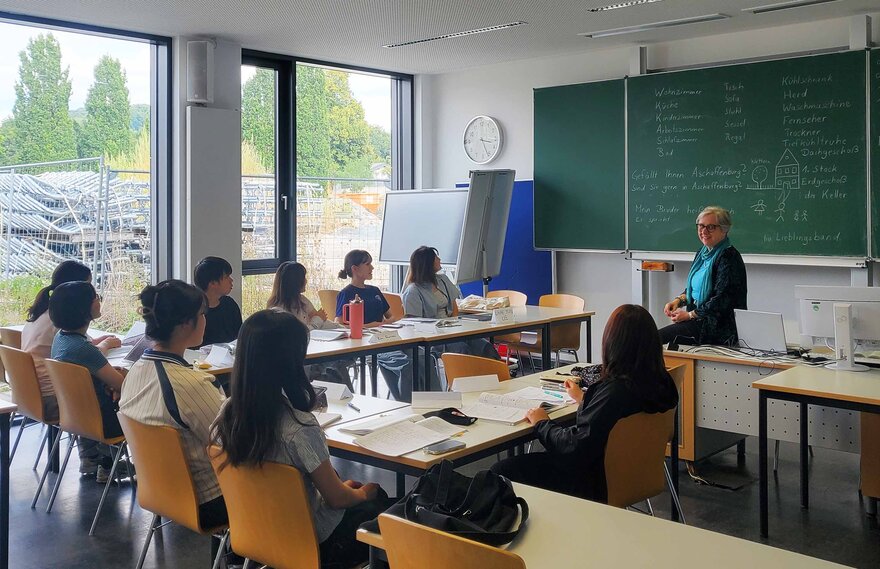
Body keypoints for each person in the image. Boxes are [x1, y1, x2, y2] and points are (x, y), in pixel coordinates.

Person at [211, 309, 393, 568]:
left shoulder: (227, 413)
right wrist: (364, 494)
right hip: (315, 543)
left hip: (254, 531)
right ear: (290, 362)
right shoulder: (299, 428)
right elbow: (337, 499)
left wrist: (340, 488)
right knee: (385, 501)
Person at [490, 304, 679, 503]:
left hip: (594, 482)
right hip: (637, 474)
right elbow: (611, 419)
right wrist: (585, 400)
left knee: (501, 472)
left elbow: (574, 448)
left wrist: (542, 422)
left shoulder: (615, 392)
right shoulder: (664, 384)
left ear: (612, 343)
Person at [117, 279, 229, 562]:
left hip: (160, 491)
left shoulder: (134, 372)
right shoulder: (191, 385)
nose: (206, 320)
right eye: (202, 315)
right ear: (185, 324)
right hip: (208, 499)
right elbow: (231, 442)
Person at [379, 246, 500, 400]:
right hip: (434, 338)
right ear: (428, 263)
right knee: (461, 349)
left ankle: (496, 386)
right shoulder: (413, 291)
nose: (440, 260)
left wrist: (455, 323)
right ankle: (468, 392)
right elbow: (413, 323)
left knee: (484, 346)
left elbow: (454, 305)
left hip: (453, 329)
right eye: (437, 258)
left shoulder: (442, 280)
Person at [21, 260, 119, 430]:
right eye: (93, 295)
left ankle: (92, 454)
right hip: (61, 401)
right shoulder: (65, 334)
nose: (98, 299)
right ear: (80, 304)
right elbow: (120, 383)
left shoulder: (60, 331)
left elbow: (83, 351)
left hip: (34, 393)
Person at [49, 281, 127, 483]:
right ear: (86, 308)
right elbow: (121, 385)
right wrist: (122, 378)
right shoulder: (84, 349)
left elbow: (91, 357)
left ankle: (99, 460)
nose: (99, 301)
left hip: (75, 417)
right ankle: (109, 464)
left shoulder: (62, 338)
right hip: (103, 421)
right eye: (96, 298)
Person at [659, 206, 747, 346]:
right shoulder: (702, 253)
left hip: (716, 328)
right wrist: (679, 301)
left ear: (724, 229)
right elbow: (695, 288)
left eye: (711, 227)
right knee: (653, 339)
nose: (704, 231)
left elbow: (721, 299)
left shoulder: (729, 258)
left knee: (655, 338)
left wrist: (688, 315)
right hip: (698, 321)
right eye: (701, 226)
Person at [267, 261, 353, 389]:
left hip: (313, 350)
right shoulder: (278, 309)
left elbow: (321, 321)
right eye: (304, 278)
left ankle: (345, 397)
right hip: (297, 359)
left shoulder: (302, 300)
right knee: (333, 368)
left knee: (340, 362)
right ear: (295, 281)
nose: (306, 281)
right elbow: (300, 333)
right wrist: (316, 320)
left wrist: (345, 330)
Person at [334, 249, 393, 326]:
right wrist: (370, 326)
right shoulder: (346, 293)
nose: (372, 268)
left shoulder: (375, 290)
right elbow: (338, 325)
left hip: (380, 335)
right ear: (355, 268)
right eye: (367, 264)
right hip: (360, 336)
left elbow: (391, 316)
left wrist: (388, 322)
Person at [193, 256, 242, 347]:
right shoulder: (194, 310)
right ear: (212, 283)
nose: (231, 280)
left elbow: (239, 337)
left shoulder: (230, 305)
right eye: (226, 277)